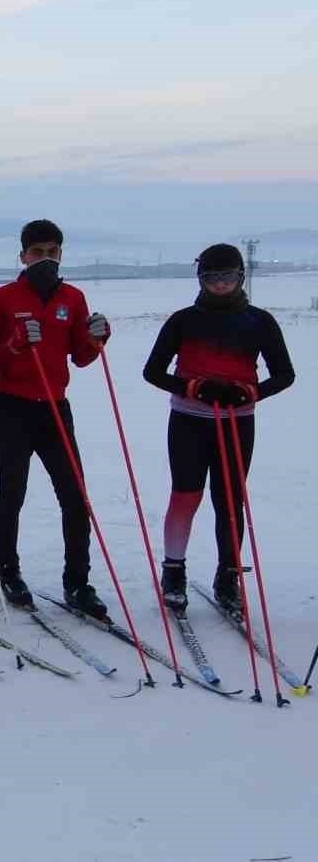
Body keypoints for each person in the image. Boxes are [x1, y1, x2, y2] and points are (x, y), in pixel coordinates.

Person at [142, 244, 294, 611]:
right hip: (188, 421)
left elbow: (285, 374)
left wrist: (251, 392)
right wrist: (192, 386)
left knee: (229, 500)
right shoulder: (183, 320)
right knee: (186, 495)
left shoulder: (259, 321)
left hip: (235, 423)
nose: (221, 284)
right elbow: (153, 371)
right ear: (201, 279)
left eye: (228, 277)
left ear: (241, 277)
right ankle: (173, 570)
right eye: (213, 278)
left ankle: (228, 575)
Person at [0, 219, 111, 616]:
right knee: (12, 492)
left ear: (61, 254)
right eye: (37, 252)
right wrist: (14, 345)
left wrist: (96, 339)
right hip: (12, 406)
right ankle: (8, 571)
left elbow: (81, 357)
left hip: (55, 407)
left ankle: (78, 582)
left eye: (52, 252)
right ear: (23, 255)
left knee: (74, 495)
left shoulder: (73, 297)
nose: (45, 258)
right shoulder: (4, 297)